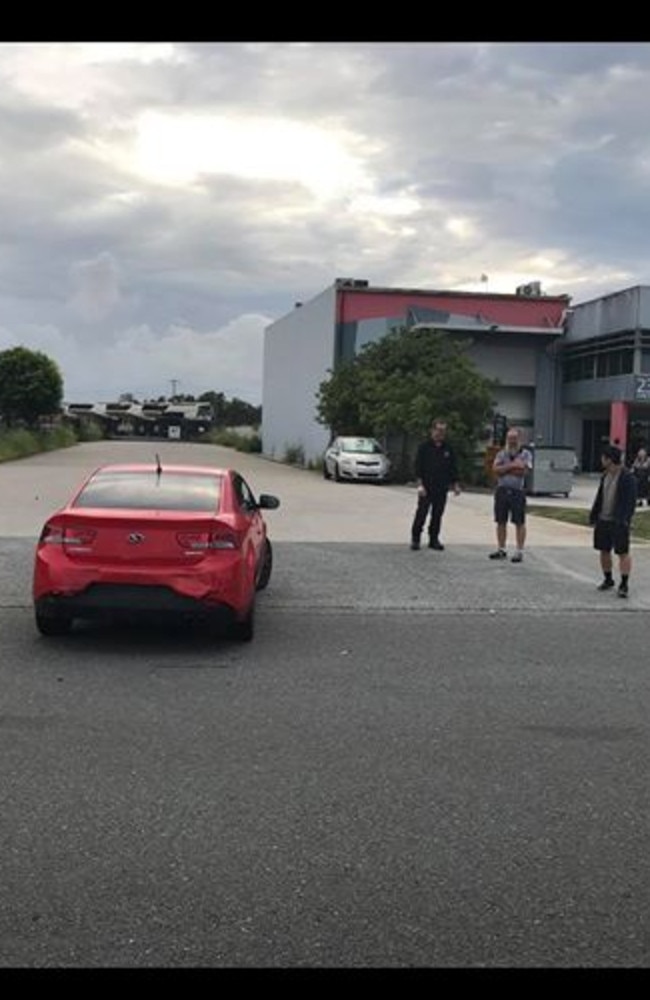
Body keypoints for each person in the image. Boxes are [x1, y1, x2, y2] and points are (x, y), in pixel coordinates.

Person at [589, 443, 637, 598]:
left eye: (603, 457)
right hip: (603, 519)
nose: (601, 460)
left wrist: (625, 520)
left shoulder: (627, 477)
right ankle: (608, 579)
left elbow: (630, 501)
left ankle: (624, 583)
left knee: (622, 552)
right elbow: (600, 496)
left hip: (619, 521)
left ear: (609, 459)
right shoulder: (605, 475)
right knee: (604, 550)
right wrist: (594, 514)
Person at [410, 419, 460, 551]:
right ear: (432, 430)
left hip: (441, 488)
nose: (440, 433)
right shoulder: (424, 447)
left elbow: (453, 468)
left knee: (437, 515)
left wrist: (455, 484)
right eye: (438, 430)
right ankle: (415, 539)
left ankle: (433, 539)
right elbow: (418, 467)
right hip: (426, 487)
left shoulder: (448, 449)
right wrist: (420, 484)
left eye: (443, 431)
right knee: (421, 513)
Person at [489, 427, 533, 563]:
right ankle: (501, 549)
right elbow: (495, 470)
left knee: (519, 522)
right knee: (500, 521)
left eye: (514, 438)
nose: (512, 441)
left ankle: (519, 551)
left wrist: (505, 468)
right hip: (502, 490)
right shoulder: (501, 453)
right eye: (509, 438)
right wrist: (513, 465)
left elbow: (524, 472)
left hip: (517, 492)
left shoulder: (526, 454)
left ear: (519, 439)